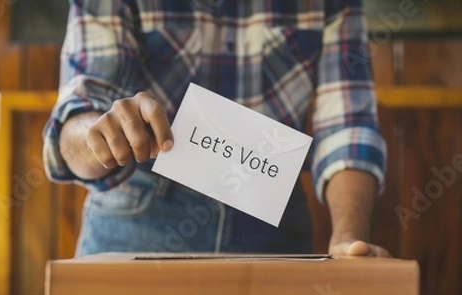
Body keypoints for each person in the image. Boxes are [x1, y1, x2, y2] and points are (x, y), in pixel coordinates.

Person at [43, 0, 390, 257]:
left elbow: (348, 127)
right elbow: (79, 115)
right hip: (137, 217)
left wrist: (347, 238)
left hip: (271, 221)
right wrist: (101, 135)